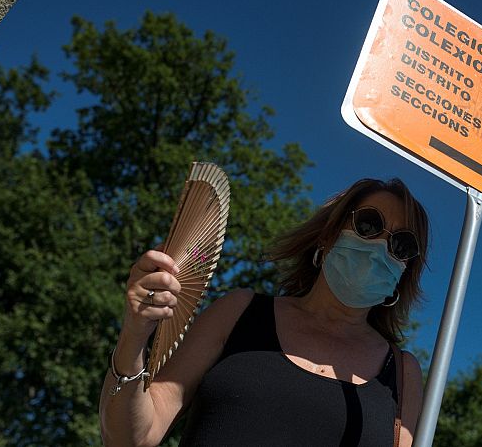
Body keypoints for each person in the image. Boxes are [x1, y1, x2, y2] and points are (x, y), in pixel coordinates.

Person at [99, 178, 430, 446]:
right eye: (369, 225)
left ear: (404, 271)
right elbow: (133, 437)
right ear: (328, 236)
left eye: (401, 245)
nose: (379, 248)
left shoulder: (402, 373)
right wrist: (135, 332)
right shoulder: (239, 311)